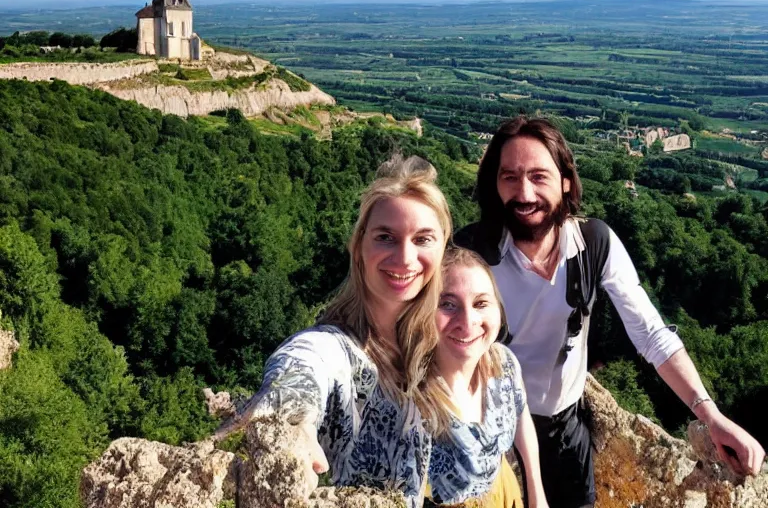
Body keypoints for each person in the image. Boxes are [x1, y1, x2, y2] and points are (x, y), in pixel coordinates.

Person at [454, 116, 765, 507]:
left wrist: (711, 416)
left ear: (565, 181)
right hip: (489, 429)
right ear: (494, 184)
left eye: (539, 176)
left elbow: (651, 334)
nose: (525, 192)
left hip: (565, 430)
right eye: (509, 177)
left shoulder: (593, 245)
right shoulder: (471, 256)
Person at [214, 153, 453, 507]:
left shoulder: (444, 339)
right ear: (358, 247)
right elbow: (307, 360)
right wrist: (294, 421)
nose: (404, 257)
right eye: (386, 236)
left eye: (423, 239)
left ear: (443, 247)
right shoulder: (336, 346)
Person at [424, 246, 548, 508]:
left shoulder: (502, 361)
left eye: (481, 303)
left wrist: (536, 492)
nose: (468, 322)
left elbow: (520, 416)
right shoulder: (412, 397)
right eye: (447, 304)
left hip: (504, 490)